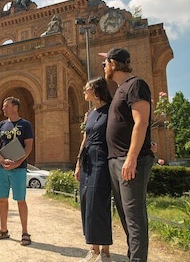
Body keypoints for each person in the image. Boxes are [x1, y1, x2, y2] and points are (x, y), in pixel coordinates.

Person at [100, 47, 154, 261]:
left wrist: (131, 157)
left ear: (113, 63)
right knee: (125, 215)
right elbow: (129, 124)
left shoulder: (136, 85)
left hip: (129, 160)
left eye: (105, 63)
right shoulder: (121, 89)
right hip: (117, 160)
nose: (103, 66)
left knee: (134, 217)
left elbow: (141, 122)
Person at [74, 77, 113, 262]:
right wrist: (78, 164)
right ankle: (93, 249)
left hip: (102, 159)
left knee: (98, 202)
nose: (84, 91)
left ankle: (105, 252)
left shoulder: (111, 111)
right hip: (88, 160)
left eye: (87, 89)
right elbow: (85, 138)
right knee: (86, 201)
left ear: (96, 91)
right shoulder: (90, 113)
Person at [0, 97, 34, 246]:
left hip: (19, 168)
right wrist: (1, 160)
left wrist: (17, 162)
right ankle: (3, 230)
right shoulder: (1, 125)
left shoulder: (25, 125)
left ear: (15, 107)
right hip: (2, 168)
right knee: (2, 199)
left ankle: (25, 233)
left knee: (20, 200)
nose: (3, 109)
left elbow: (28, 147)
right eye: (3, 106)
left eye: (6, 106)